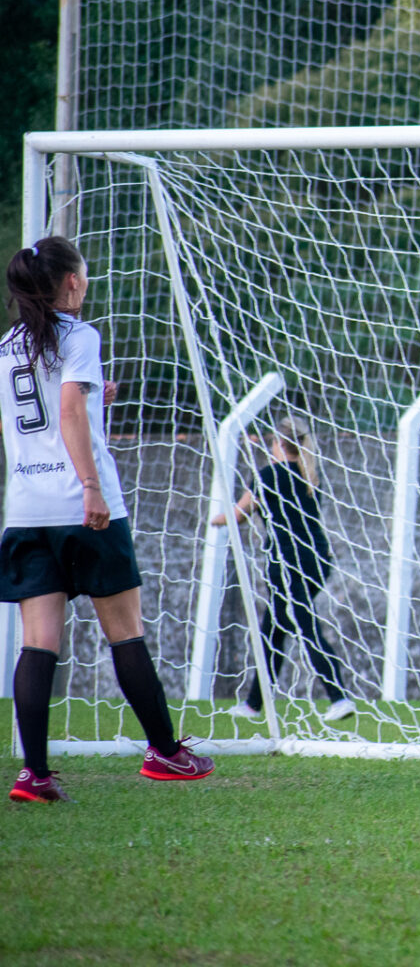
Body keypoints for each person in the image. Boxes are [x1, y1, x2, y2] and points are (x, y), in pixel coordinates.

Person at [2, 237, 214, 802]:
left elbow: (27, 420)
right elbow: (68, 409)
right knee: (125, 632)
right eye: (84, 276)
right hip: (83, 505)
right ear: (71, 283)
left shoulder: (6, 347)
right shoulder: (82, 335)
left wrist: (96, 405)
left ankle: (34, 774)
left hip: (26, 512)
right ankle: (167, 754)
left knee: (38, 642)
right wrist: (91, 486)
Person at [211, 415, 355, 722]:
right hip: (317, 560)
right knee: (273, 631)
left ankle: (339, 697)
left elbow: (237, 515)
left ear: (277, 443)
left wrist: (213, 518)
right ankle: (253, 704)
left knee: (303, 626)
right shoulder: (309, 476)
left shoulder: (267, 475)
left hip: (288, 563)